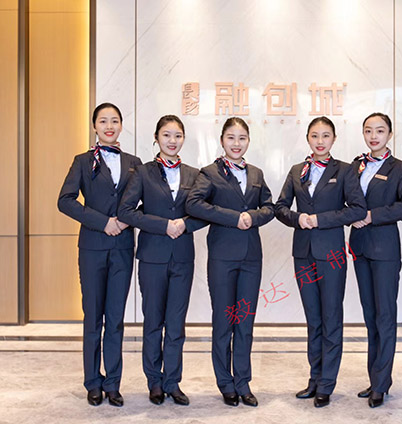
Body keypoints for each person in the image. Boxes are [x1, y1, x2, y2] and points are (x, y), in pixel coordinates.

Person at [275, 116, 367, 408]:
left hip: (331, 255)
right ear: (308, 138)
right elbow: (279, 207)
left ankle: (327, 384)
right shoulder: (296, 171)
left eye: (326, 135)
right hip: (303, 254)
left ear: (334, 139)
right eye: (315, 135)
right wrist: (297, 218)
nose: (320, 141)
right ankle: (314, 379)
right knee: (313, 319)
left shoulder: (345, 170)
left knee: (331, 318)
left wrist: (319, 220)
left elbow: (357, 209)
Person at [186, 117, 274, 408]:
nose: (237, 144)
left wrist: (253, 217)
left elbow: (270, 207)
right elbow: (194, 204)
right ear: (222, 140)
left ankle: (243, 382)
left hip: (251, 258)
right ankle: (225, 383)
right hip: (222, 258)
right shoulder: (209, 173)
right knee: (224, 321)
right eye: (231, 138)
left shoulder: (256, 173)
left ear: (249, 141)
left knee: (245, 322)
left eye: (242, 138)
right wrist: (233, 217)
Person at [118, 115, 206, 406]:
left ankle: (173, 382)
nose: (172, 141)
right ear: (156, 138)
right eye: (166, 135)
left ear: (183, 139)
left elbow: (205, 212)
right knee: (153, 321)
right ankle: (154, 382)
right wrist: (163, 225)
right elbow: (126, 212)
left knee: (176, 324)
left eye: (177, 135)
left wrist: (185, 224)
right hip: (152, 257)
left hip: (182, 257)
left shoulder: (194, 174)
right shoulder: (142, 172)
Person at [58, 103, 142, 407]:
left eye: (114, 121)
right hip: (92, 248)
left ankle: (113, 383)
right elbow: (65, 201)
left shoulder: (135, 163)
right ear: (94, 126)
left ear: (121, 125)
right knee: (93, 317)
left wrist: (126, 221)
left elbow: (147, 202)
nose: (109, 126)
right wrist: (102, 222)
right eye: (103, 121)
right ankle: (93, 382)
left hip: (123, 248)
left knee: (116, 319)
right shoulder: (82, 162)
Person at [350, 113, 402, 408]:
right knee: (370, 317)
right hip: (360, 248)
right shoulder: (355, 166)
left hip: (385, 251)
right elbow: (345, 200)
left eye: (380, 131)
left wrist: (371, 216)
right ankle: (375, 378)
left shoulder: (400, 169)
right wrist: (351, 216)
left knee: (385, 316)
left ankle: (381, 384)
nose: (373, 136)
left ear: (390, 134)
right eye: (368, 131)